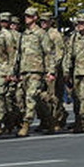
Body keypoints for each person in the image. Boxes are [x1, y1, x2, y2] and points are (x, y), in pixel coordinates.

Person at [16, 7, 54, 137]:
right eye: (26, 16)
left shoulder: (41, 34)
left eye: (29, 16)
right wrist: (17, 72)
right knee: (32, 98)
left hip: (37, 71)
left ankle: (26, 124)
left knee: (31, 97)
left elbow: (49, 53)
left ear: (35, 18)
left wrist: (51, 71)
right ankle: (49, 120)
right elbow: (20, 54)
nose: (27, 18)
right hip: (25, 71)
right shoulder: (24, 34)